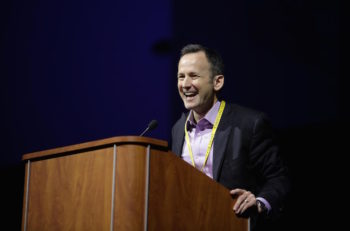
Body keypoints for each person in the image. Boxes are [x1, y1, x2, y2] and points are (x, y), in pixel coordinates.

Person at [171, 44, 290, 230]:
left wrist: (259, 202)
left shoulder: (249, 123)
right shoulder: (178, 129)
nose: (185, 84)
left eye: (193, 76)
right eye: (181, 76)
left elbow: (279, 178)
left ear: (217, 82)